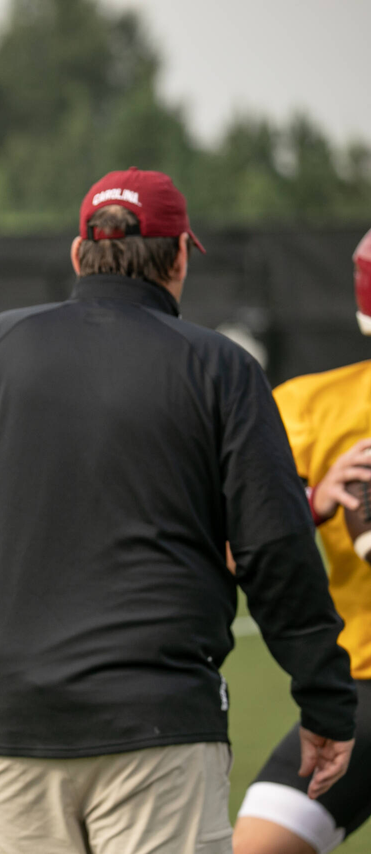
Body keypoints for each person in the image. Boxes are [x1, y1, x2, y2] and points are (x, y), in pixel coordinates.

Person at [0, 167, 357, 854]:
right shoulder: (222, 367)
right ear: (180, 256)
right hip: (158, 725)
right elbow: (274, 550)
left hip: (6, 727)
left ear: (77, 253)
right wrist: (327, 700)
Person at [234, 228, 371, 854]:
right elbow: (231, 551)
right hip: (364, 683)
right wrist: (311, 504)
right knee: (258, 845)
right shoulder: (313, 405)